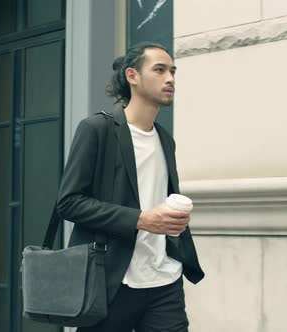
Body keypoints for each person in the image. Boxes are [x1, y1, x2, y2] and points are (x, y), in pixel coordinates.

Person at [57, 41, 204, 332]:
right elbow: (69, 201)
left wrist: (173, 219)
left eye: (173, 71)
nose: (170, 78)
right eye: (160, 70)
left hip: (164, 280)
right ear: (132, 76)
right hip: (112, 282)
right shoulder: (97, 130)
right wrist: (140, 220)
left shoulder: (165, 139)